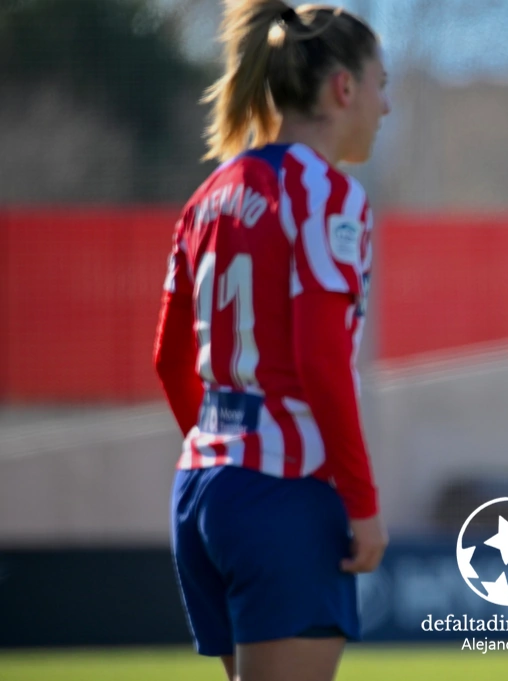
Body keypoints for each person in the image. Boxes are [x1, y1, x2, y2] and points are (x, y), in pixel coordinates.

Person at [153, 3, 390, 680]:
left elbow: (170, 362)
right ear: (343, 88)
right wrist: (363, 503)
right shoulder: (328, 194)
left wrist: (221, 455)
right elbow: (320, 359)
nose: (387, 105)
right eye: (381, 84)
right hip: (284, 495)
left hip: (202, 490)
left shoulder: (209, 194)